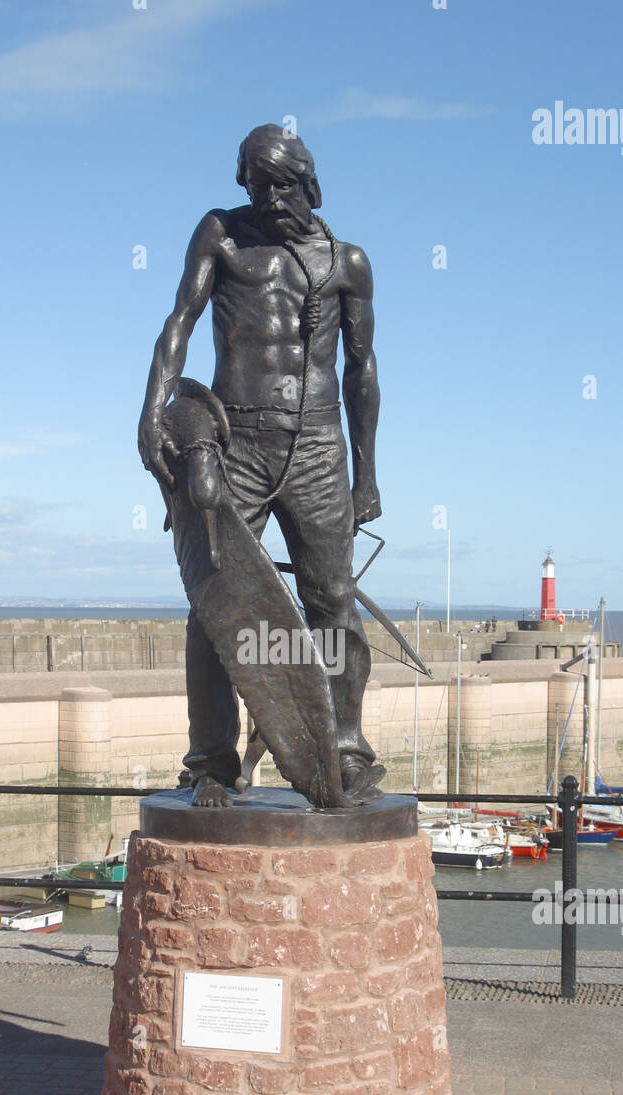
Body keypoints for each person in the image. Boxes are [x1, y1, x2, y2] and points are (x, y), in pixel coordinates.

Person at [138, 125, 383, 807]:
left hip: (317, 449)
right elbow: (178, 323)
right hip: (234, 442)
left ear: (310, 182)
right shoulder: (220, 233)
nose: (269, 196)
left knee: (332, 602)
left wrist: (367, 475)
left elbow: (363, 372)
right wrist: (153, 408)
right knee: (212, 609)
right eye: (256, 182)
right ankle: (212, 763)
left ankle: (346, 753)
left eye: (282, 183)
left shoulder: (350, 264)